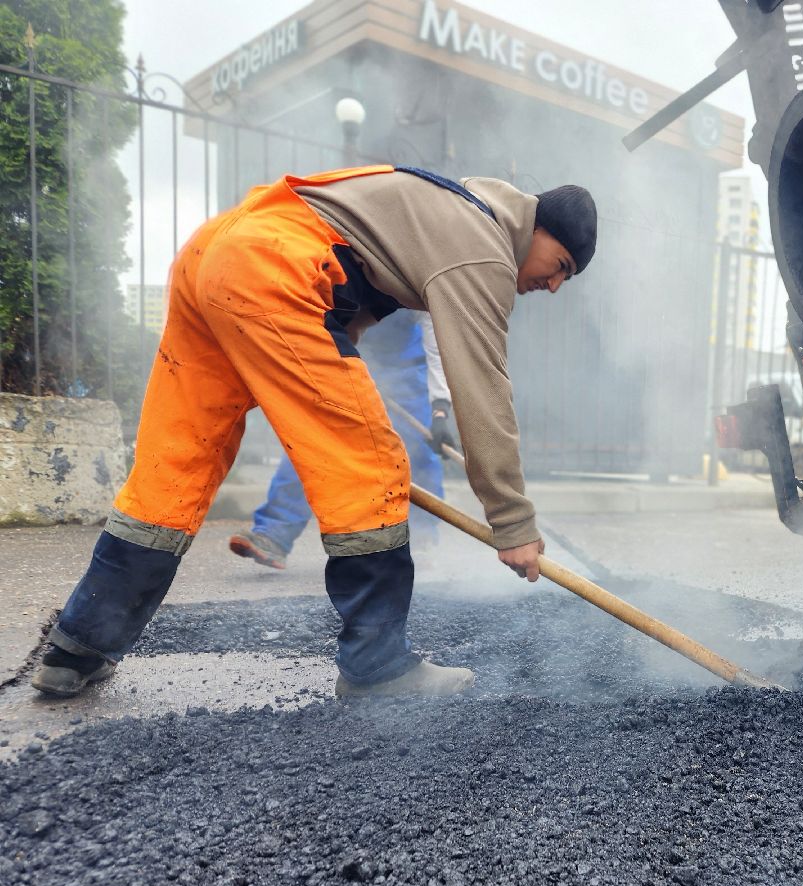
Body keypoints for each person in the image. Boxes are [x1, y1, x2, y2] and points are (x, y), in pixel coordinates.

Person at [31, 164, 597, 700]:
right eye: (563, 265)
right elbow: (483, 390)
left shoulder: (449, 207)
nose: (554, 285)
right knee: (371, 469)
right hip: (273, 272)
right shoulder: (486, 246)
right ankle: (377, 667)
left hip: (216, 254)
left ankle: (78, 647)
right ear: (537, 227)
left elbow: (352, 281)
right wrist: (512, 523)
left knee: (176, 467)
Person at [228, 310, 454, 569]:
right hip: (341, 360)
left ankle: (419, 540)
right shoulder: (338, 274)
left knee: (416, 455)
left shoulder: (420, 286)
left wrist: (439, 410)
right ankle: (273, 535)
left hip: (407, 372)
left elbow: (438, 348)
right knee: (311, 444)